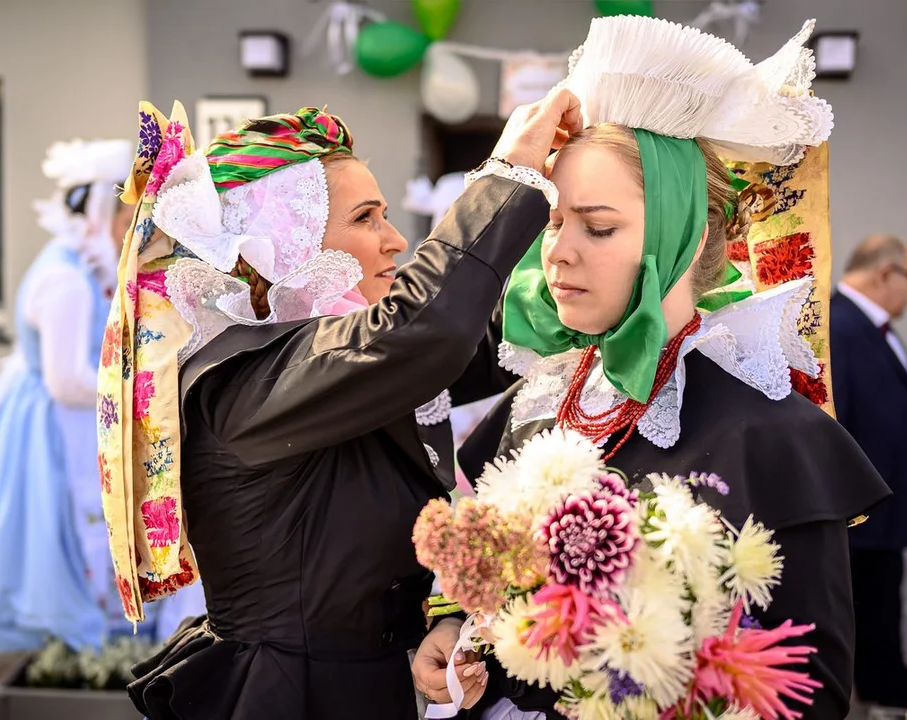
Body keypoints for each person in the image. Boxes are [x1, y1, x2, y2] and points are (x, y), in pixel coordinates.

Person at [416, 16, 892, 719]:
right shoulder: (537, 399)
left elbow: (809, 689)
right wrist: (455, 629)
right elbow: (480, 574)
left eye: (598, 227)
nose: (557, 253)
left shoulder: (769, 433)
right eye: (550, 223)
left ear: (680, 234)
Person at [96, 94, 581, 719]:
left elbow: (480, 339)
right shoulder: (245, 378)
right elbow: (423, 331)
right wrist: (510, 172)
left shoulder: (328, 354)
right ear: (285, 241)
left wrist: (590, 273)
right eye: (367, 217)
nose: (395, 239)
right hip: (289, 697)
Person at [0, 139, 137, 653]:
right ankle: (79, 645)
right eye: (124, 214)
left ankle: (85, 645)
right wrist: (136, 394)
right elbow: (65, 382)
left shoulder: (74, 267)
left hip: (53, 418)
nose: (129, 226)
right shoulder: (66, 279)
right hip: (54, 428)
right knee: (60, 534)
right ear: (100, 211)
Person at [832, 234, 907, 708]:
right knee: (865, 611)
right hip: (859, 515)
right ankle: (883, 691)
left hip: (879, 512)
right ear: (884, 273)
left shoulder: (872, 328)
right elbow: (835, 420)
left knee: (878, 608)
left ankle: (888, 684)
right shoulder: (840, 325)